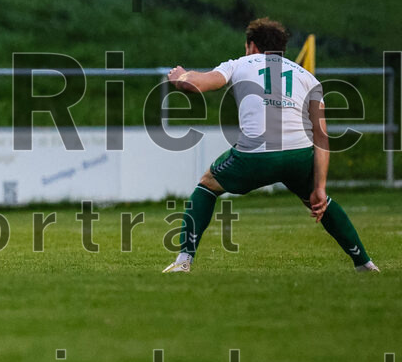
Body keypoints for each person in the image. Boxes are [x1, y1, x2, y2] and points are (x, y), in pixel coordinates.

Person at [162, 18, 378, 273]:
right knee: (322, 201)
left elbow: (195, 84)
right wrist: (319, 186)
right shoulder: (307, 77)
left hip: (256, 156)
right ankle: (364, 263)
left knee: (207, 186)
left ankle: (183, 261)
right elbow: (321, 137)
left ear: (251, 46)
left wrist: (180, 77)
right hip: (299, 155)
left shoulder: (239, 64)